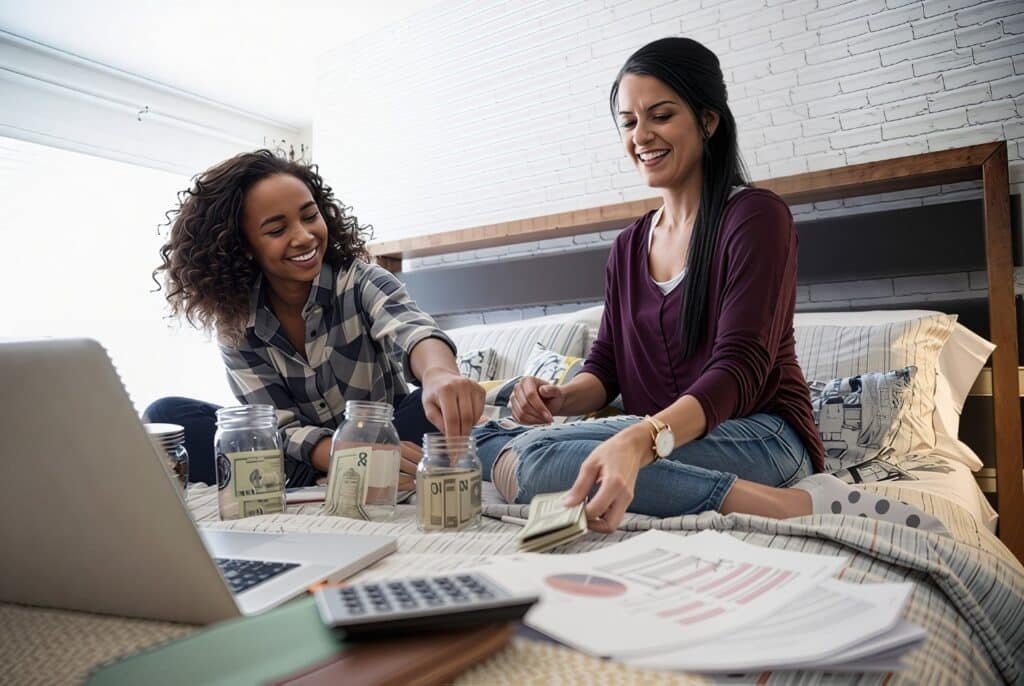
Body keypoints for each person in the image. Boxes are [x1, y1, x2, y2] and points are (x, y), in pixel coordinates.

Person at [472, 37, 946, 536]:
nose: (642, 136)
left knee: (536, 462)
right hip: (663, 439)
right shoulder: (627, 248)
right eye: (629, 122)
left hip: (763, 438)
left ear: (708, 120)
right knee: (485, 439)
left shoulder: (757, 218)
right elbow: (606, 367)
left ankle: (800, 503)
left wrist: (641, 438)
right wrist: (560, 398)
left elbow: (738, 370)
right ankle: (764, 503)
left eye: (660, 115)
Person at [147, 150, 484, 489]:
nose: (305, 236)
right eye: (278, 229)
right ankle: (340, 475)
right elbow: (274, 424)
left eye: (310, 216)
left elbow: (412, 330)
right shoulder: (237, 324)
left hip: (389, 435)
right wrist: (342, 453)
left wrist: (439, 374)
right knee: (167, 415)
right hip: (304, 456)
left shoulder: (362, 281)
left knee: (431, 412)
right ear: (244, 246)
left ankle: (338, 479)